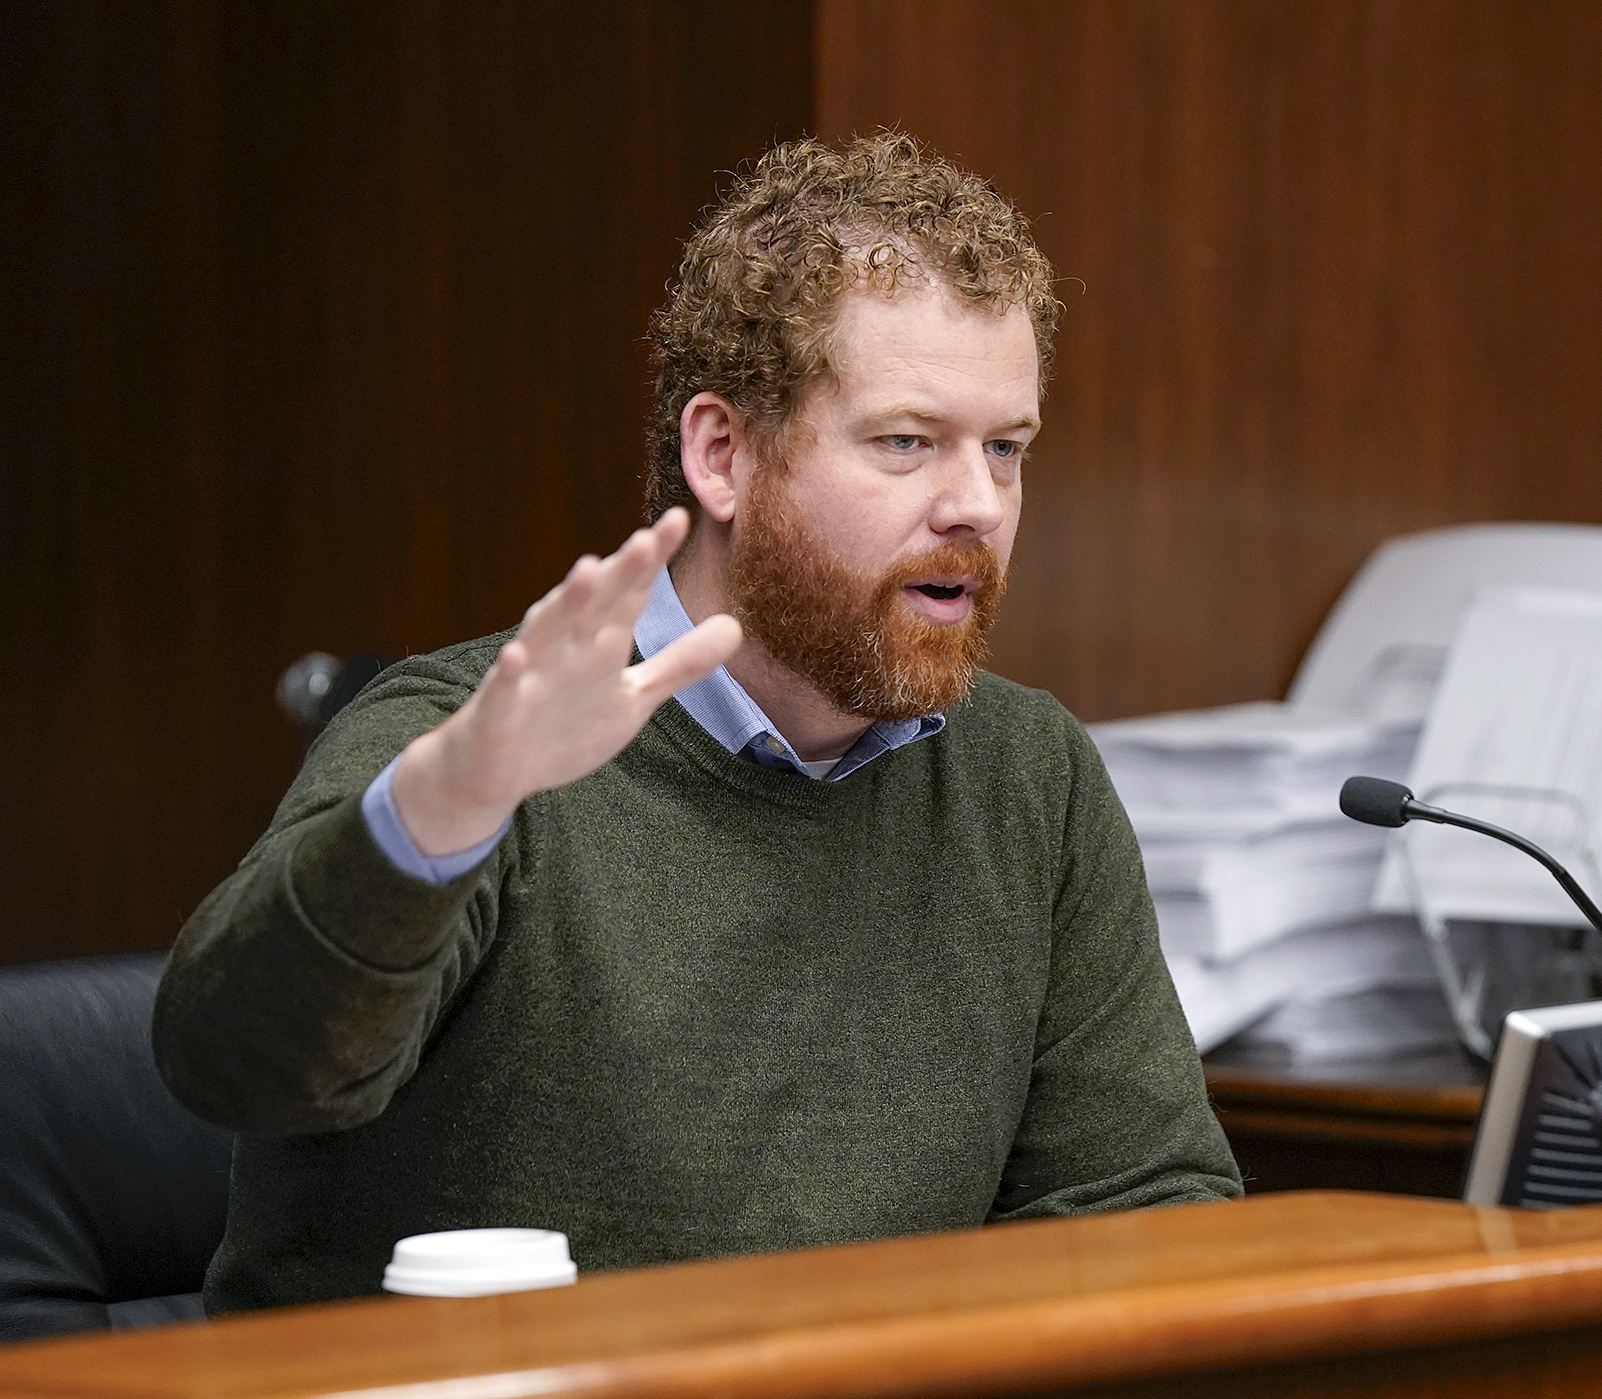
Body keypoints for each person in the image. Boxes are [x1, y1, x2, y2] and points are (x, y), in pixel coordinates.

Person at [154, 132, 1242, 1313]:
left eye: (1008, 450)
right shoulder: (471, 742)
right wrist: (450, 805)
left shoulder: (1030, 774)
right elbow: (234, 1063)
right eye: (906, 442)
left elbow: (1145, 1203)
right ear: (724, 455)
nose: (978, 504)